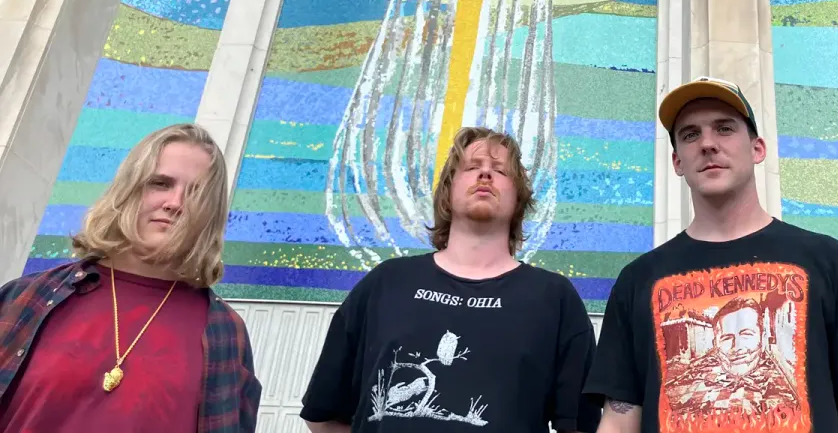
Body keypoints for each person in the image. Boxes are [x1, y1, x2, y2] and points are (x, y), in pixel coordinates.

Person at [583, 77, 838, 433]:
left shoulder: (831, 262)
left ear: (757, 148)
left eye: (724, 128)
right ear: (677, 161)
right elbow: (619, 421)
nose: (707, 144)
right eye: (690, 134)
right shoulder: (637, 281)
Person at [300, 126, 601, 433]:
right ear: (448, 189)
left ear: (519, 198)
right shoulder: (386, 284)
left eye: (500, 170)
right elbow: (323, 414)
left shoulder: (553, 298)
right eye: (472, 167)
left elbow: (581, 425)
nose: (485, 174)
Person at [0, 123, 261, 432]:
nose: (175, 203)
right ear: (127, 189)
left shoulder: (227, 334)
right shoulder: (23, 299)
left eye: (196, 193)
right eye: (160, 183)